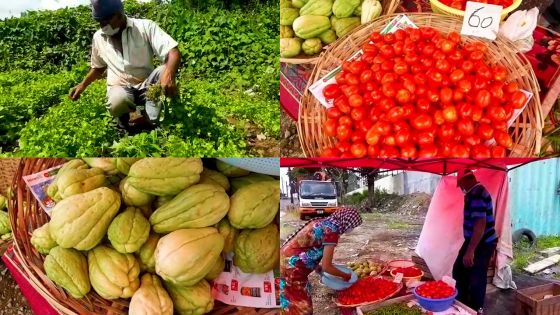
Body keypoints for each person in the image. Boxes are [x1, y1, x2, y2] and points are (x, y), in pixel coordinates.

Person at [68, 0, 181, 132]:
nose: (103, 26)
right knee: (117, 100)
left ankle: (151, 118)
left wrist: (169, 74)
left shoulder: (145, 27)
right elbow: (98, 68)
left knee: (164, 70)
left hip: (146, 86)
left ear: (120, 15)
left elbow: (173, 51)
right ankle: (128, 118)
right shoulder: (98, 37)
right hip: (121, 88)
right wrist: (82, 86)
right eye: (99, 22)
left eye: (106, 21)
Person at [280, 207, 363, 315]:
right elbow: (327, 267)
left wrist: (315, 266)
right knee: (302, 306)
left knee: (289, 300)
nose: (351, 229)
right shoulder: (332, 231)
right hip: (292, 269)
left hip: (284, 260)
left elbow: (307, 246)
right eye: (352, 226)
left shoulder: (322, 221)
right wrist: (345, 275)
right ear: (347, 222)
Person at [453, 169, 498, 314]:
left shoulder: (476, 195)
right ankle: (463, 303)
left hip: (483, 242)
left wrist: (470, 251)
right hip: (477, 239)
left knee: (476, 276)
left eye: (461, 185)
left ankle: (477, 308)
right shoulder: (475, 192)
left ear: (467, 180)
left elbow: (480, 224)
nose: (461, 188)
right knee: (460, 271)